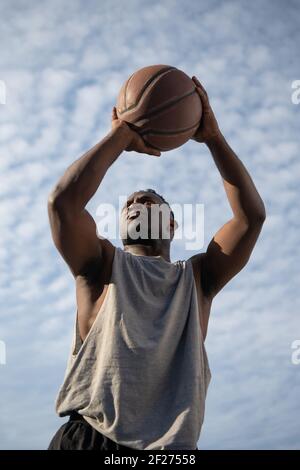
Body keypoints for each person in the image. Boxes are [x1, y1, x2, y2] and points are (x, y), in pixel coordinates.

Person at [47, 76, 266, 450]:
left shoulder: (197, 279)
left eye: (149, 201)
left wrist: (213, 137)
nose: (136, 204)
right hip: (90, 437)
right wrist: (122, 134)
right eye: (129, 203)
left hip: (171, 450)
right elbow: (62, 204)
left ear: (170, 223)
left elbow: (251, 218)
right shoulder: (101, 265)